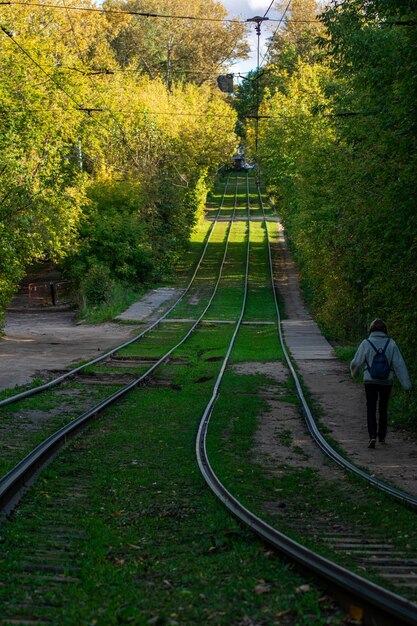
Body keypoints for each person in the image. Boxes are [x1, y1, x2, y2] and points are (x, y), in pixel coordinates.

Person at [350, 319, 412, 448]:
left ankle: (372, 436)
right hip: (386, 381)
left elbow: (356, 362)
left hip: (370, 380)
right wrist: (406, 385)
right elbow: (399, 365)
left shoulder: (366, 343)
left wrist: (354, 373)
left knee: (371, 408)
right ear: (384, 330)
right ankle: (382, 436)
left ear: (371, 330)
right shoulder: (391, 344)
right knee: (383, 408)